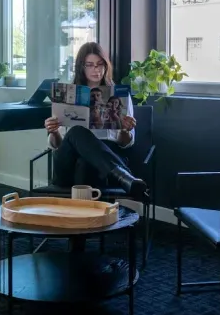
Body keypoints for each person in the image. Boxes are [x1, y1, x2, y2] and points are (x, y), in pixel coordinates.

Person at [44, 42, 147, 199]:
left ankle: (83, 218)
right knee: (77, 132)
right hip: (68, 164)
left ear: (106, 66)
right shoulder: (67, 94)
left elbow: (126, 143)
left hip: (101, 163)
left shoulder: (119, 96)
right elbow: (57, 145)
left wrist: (125, 130)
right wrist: (53, 131)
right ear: (81, 67)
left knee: (85, 163)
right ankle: (123, 177)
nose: (96, 69)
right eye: (90, 65)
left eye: (100, 64)